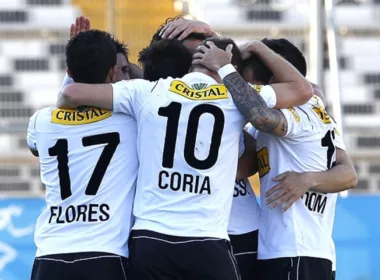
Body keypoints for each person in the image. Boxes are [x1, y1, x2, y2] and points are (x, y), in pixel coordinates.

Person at [57, 36, 310, 280]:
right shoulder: (236, 97)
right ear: (229, 67)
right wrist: (253, 48)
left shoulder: (147, 91)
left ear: (193, 62)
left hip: (152, 240)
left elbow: (71, 95)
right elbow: (303, 90)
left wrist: (73, 72)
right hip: (206, 241)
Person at [195, 39, 356, 280]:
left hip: (296, 251)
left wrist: (306, 180)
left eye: (252, 83)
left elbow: (349, 175)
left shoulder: (297, 114)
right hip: (296, 251)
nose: (248, 91)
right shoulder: (316, 112)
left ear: (275, 80)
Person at [27, 30, 136, 280]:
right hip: (105, 254)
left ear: (68, 70)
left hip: (50, 256)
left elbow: (39, 143)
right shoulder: (132, 120)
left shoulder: (40, 122)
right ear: (112, 72)